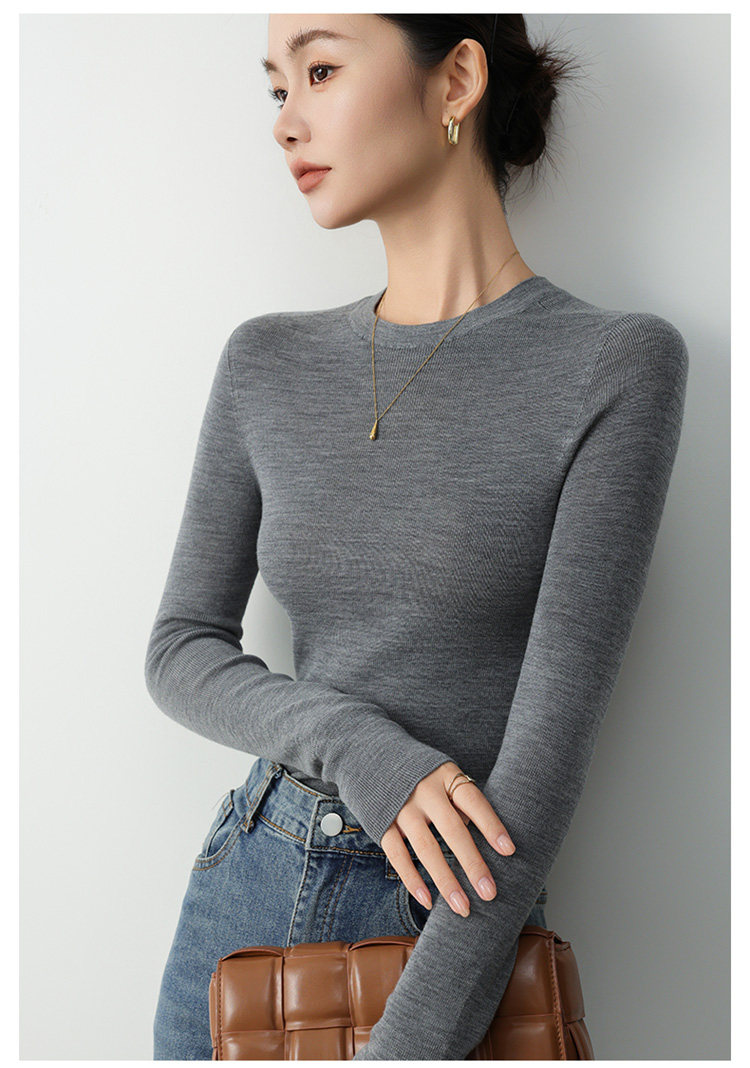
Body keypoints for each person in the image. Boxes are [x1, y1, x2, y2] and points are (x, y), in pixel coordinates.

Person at [145, 13, 689, 1060]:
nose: (285, 121)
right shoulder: (266, 361)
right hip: (246, 891)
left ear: (457, 81)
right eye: (276, 87)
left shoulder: (615, 365)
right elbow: (180, 647)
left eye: (321, 70)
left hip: (452, 922)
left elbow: (542, 770)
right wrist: (362, 747)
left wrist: (409, 1045)